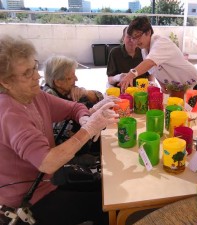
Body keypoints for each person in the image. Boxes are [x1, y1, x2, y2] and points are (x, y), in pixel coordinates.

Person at [0, 35, 118, 225]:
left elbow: (73, 108)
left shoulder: (36, 95)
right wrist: (88, 128)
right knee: (108, 204)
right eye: (27, 73)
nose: (37, 76)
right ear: (5, 81)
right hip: (31, 200)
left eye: (34, 67)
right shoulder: (8, 113)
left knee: (106, 186)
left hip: (49, 181)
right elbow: (47, 162)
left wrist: (87, 117)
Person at [118, 16, 197, 93]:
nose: (135, 41)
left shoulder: (161, 43)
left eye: (138, 36)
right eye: (133, 38)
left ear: (148, 32)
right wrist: (161, 83)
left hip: (191, 82)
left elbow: (150, 62)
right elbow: (154, 69)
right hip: (175, 86)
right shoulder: (144, 50)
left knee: (192, 108)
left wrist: (130, 75)